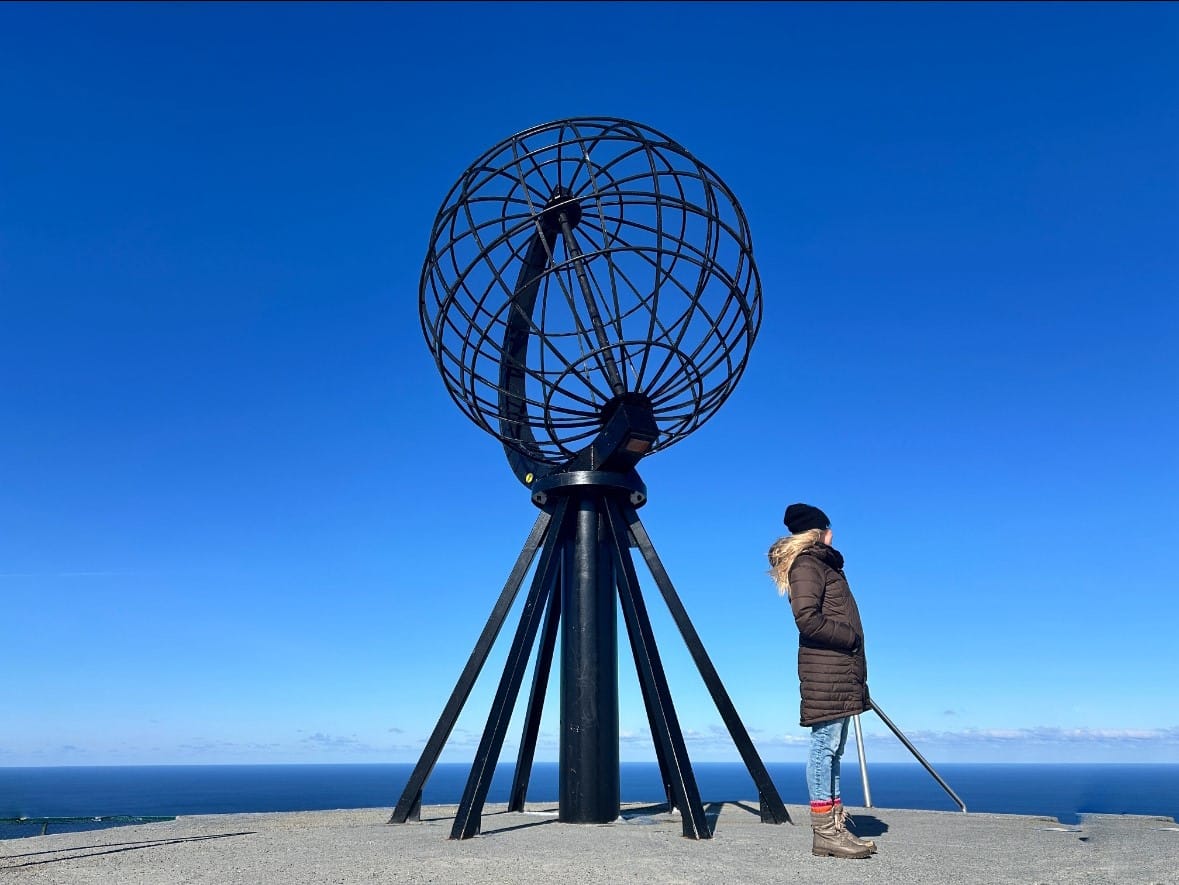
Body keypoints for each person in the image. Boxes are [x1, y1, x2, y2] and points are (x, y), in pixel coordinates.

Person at [768, 503, 876, 859]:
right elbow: (807, 619)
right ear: (820, 531)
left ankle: (834, 825)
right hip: (827, 670)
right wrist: (849, 638)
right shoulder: (809, 564)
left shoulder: (821, 565)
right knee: (824, 748)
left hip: (839, 672)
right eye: (830, 528)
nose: (833, 534)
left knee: (833, 749)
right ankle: (825, 831)